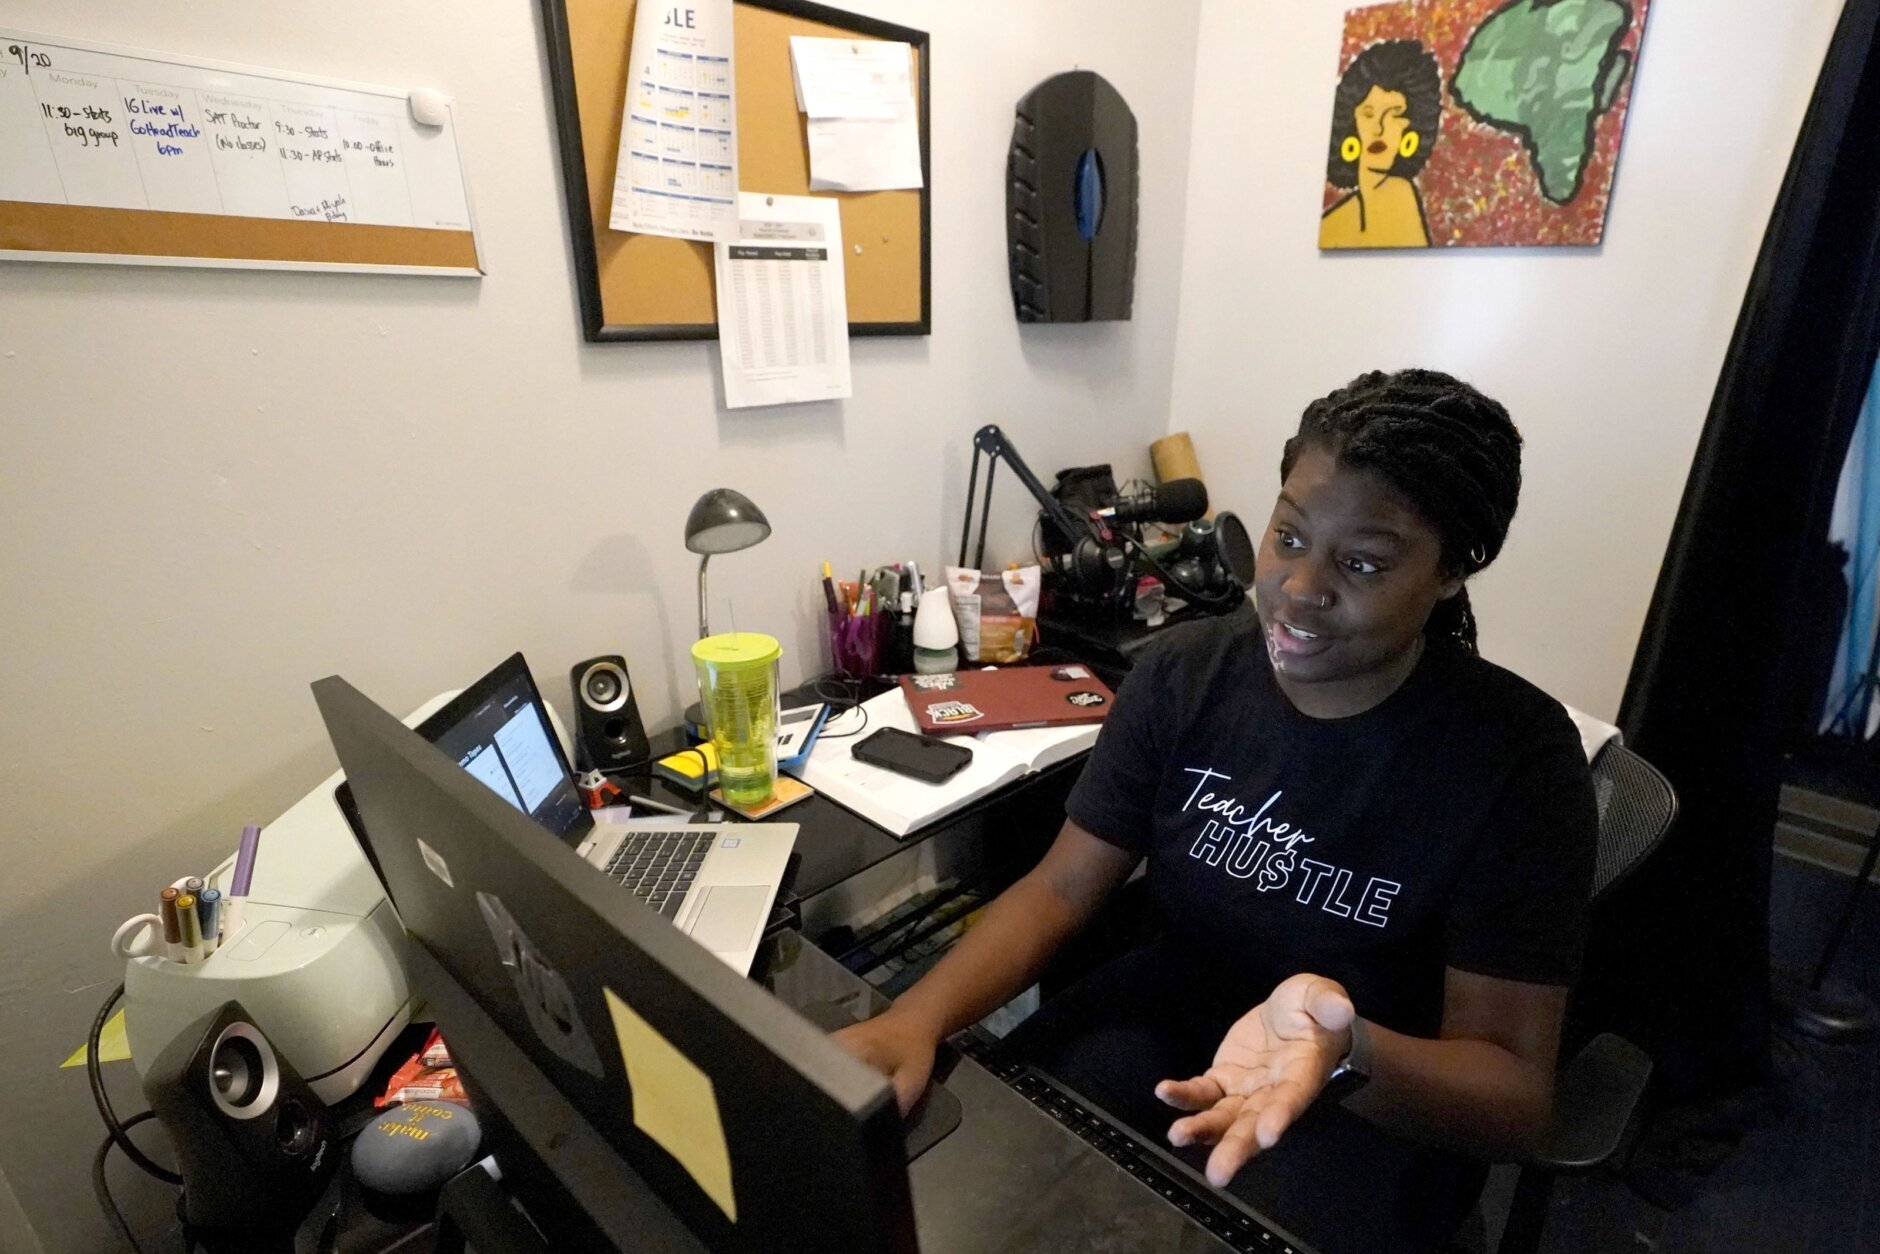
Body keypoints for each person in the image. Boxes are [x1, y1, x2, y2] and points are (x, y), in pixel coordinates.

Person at [835, 369, 1597, 1253]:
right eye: (1289, 536)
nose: (1298, 588)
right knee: (975, 1171)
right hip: (1166, 1016)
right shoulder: (1183, 675)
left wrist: (1345, 1050)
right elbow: (1061, 889)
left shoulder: (1516, 762)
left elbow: (1513, 1099)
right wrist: (914, 1019)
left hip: (1375, 1094)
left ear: (1453, 570)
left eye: (1361, 563)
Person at [1319, 40, 1443, 250]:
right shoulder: (1340, 217)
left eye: (1394, 115)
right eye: (1368, 114)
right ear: (1351, 123)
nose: (1378, 129)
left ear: (1412, 127)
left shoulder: (1397, 192)